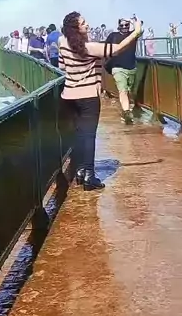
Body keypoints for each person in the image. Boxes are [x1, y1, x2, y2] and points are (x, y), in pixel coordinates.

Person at [58, 11, 143, 191]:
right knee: (89, 136)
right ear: (76, 28)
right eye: (83, 23)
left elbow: (62, 66)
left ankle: (80, 171)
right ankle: (89, 176)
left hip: (69, 96)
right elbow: (117, 49)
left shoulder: (62, 42)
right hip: (88, 97)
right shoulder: (90, 48)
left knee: (79, 134)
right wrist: (136, 32)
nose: (87, 24)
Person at [106, 18, 142, 124]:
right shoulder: (113, 36)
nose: (125, 27)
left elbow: (139, 29)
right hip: (117, 68)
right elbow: (106, 49)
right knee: (123, 91)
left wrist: (131, 20)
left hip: (131, 68)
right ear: (118, 26)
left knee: (128, 91)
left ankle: (126, 110)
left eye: (127, 25)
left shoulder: (133, 35)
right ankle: (127, 113)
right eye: (122, 25)